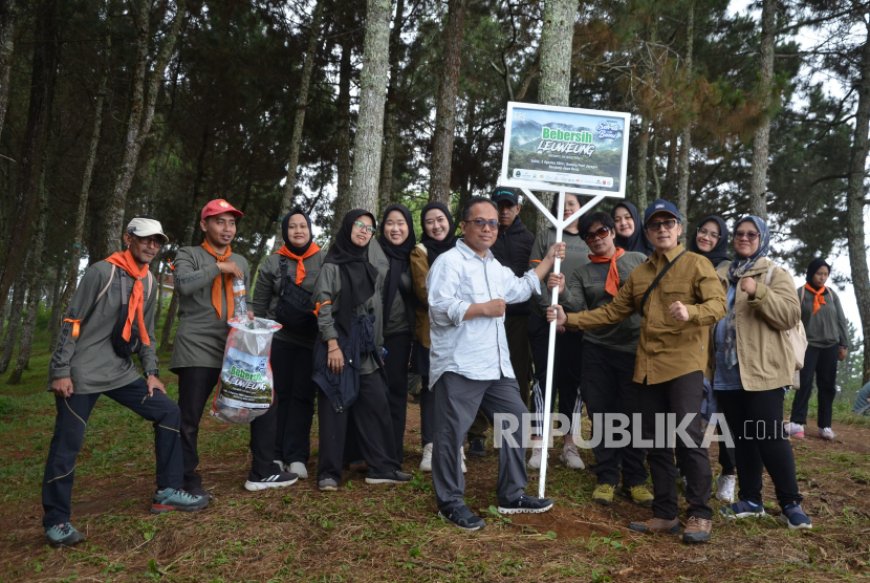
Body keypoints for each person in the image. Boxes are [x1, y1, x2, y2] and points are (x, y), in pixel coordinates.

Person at [549, 199, 726, 544]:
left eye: (668, 223)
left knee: (688, 437)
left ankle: (700, 514)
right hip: (647, 366)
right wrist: (571, 320)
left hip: (684, 365)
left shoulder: (696, 264)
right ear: (647, 232)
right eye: (656, 225)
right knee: (655, 441)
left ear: (678, 228)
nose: (662, 229)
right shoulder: (642, 272)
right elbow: (612, 312)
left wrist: (691, 313)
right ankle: (665, 513)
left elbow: (718, 305)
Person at [43, 218, 208, 547]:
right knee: (66, 445)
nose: (151, 246)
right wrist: (60, 370)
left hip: (120, 372)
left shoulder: (147, 281)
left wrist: (151, 372)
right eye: (145, 240)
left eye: (157, 242)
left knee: (168, 412)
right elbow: (73, 322)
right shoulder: (101, 273)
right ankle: (56, 521)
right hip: (82, 374)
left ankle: (167, 491)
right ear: (128, 239)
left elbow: (145, 333)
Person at [428, 196, 563, 531]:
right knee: (452, 433)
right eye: (480, 222)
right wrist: (482, 309)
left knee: (515, 418)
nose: (488, 228)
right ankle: (450, 502)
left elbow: (520, 287)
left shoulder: (492, 264)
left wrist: (548, 261)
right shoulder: (449, 262)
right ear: (464, 226)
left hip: (495, 364)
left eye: (492, 223)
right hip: (460, 363)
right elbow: (439, 308)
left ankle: (512, 494)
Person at [172, 198, 297, 494]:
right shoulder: (188, 254)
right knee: (189, 416)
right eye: (220, 221)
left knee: (266, 400)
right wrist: (219, 267)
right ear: (204, 225)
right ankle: (183, 479)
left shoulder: (240, 261)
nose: (227, 228)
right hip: (197, 346)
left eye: (231, 222)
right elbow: (184, 285)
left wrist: (248, 314)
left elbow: (243, 299)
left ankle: (263, 470)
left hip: (235, 348)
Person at [714, 216, 812, 529]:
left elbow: (791, 314)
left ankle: (790, 503)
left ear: (762, 237)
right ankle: (751, 498)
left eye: (751, 234)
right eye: (739, 233)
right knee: (742, 437)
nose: (744, 238)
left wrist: (759, 292)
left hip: (763, 370)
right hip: (726, 372)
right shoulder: (721, 274)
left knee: (769, 436)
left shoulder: (773, 273)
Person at [553, 211, 652, 506]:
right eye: (590, 236)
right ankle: (607, 476)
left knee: (634, 415)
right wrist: (562, 294)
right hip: (596, 349)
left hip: (634, 349)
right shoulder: (582, 273)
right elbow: (579, 310)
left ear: (612, 232)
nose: (597, 239)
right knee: (602, 413)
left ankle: (635, 479)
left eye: (602, 232)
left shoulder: (637, 261)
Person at [312, 209, 411, 491]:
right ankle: (329, 473)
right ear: (347, 228)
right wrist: (332, 344)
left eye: (369, 228)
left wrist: (377, 346)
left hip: (366, 347)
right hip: (339, 344)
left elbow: (374, 311)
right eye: (358, 225)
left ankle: (382, 466)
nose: (363, 231)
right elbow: (323, 306)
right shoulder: (332, 265)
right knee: (336, 404)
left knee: (377, 402)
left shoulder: (369, 267)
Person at [251, 208, 323, 479]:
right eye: (292, 227)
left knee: (303, 397)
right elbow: (259, 306)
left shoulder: (324, 260)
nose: (298, 231)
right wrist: (258, 341)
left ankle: (297, 455)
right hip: (277, 339)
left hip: (309, 340)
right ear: (285, 232)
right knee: (277, 397)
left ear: (310, 229)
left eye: (302, 225)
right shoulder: (271, 263)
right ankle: (275, 454)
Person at [526, 192, 589, 470]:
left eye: (571, 205)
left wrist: (571, 318)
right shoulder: (545, 235)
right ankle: (539, 442)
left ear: (581, 208)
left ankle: (569, 444)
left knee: (572, 383)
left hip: (577, 323)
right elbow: (535, 278)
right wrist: (549, 312)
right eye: (560, 205)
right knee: (544, 379)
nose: (565, 210)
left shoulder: (589, 237)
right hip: (545, 320)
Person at [477, 186, 535, 457]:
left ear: (518, 208)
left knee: (517, 377)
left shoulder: (528, 238)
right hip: (485, 319)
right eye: (500, 206)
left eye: (509, 206)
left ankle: (513, 437)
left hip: (519, 319)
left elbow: (531, 277)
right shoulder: (486, 236)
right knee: (479, 373)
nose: (504, 211)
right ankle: (477, 433)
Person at [688, 215, 737, 503]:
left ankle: (728, 472)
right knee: (693, 410)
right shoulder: (685, 260)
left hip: (722, 348)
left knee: (724, 415)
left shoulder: (729, 267)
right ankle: (689, 467)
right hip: (692, 346)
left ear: (721, 239)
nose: (706, 237)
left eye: (713, 234)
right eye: (702, 231)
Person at [410, 202, 459, 472]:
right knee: (431, 390)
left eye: (440, 219)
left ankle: (456, 446)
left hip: (464, 332)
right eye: (429, 221)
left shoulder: (463, 247)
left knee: (458, 390)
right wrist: (460, 302)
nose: (436, 226)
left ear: (449, 221)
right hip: (431, 333)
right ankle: (429, 446)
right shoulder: (420, 251)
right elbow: (426, 291)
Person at [785, 258, 850, 440]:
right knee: (804, 382)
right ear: (811, 273)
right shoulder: (801, 294)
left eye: (825, 274)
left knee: (827, 385)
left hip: (830, 345)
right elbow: (792, 320)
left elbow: (841, 320)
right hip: (809, 345)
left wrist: (844, 344)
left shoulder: (831, 294)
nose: (822, 278)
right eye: (819, 274)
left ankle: (825, 425)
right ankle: (797, 422)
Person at [377, 204, 417, 463]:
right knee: (371, 393)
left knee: (396, 392)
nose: (395, 228)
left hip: (401, 334)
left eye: (401, 223)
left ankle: (392, 452)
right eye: (390, 223)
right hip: (371, 334)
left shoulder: (415, 257)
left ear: (409, 227)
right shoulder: (373, 253)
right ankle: (367, 451)